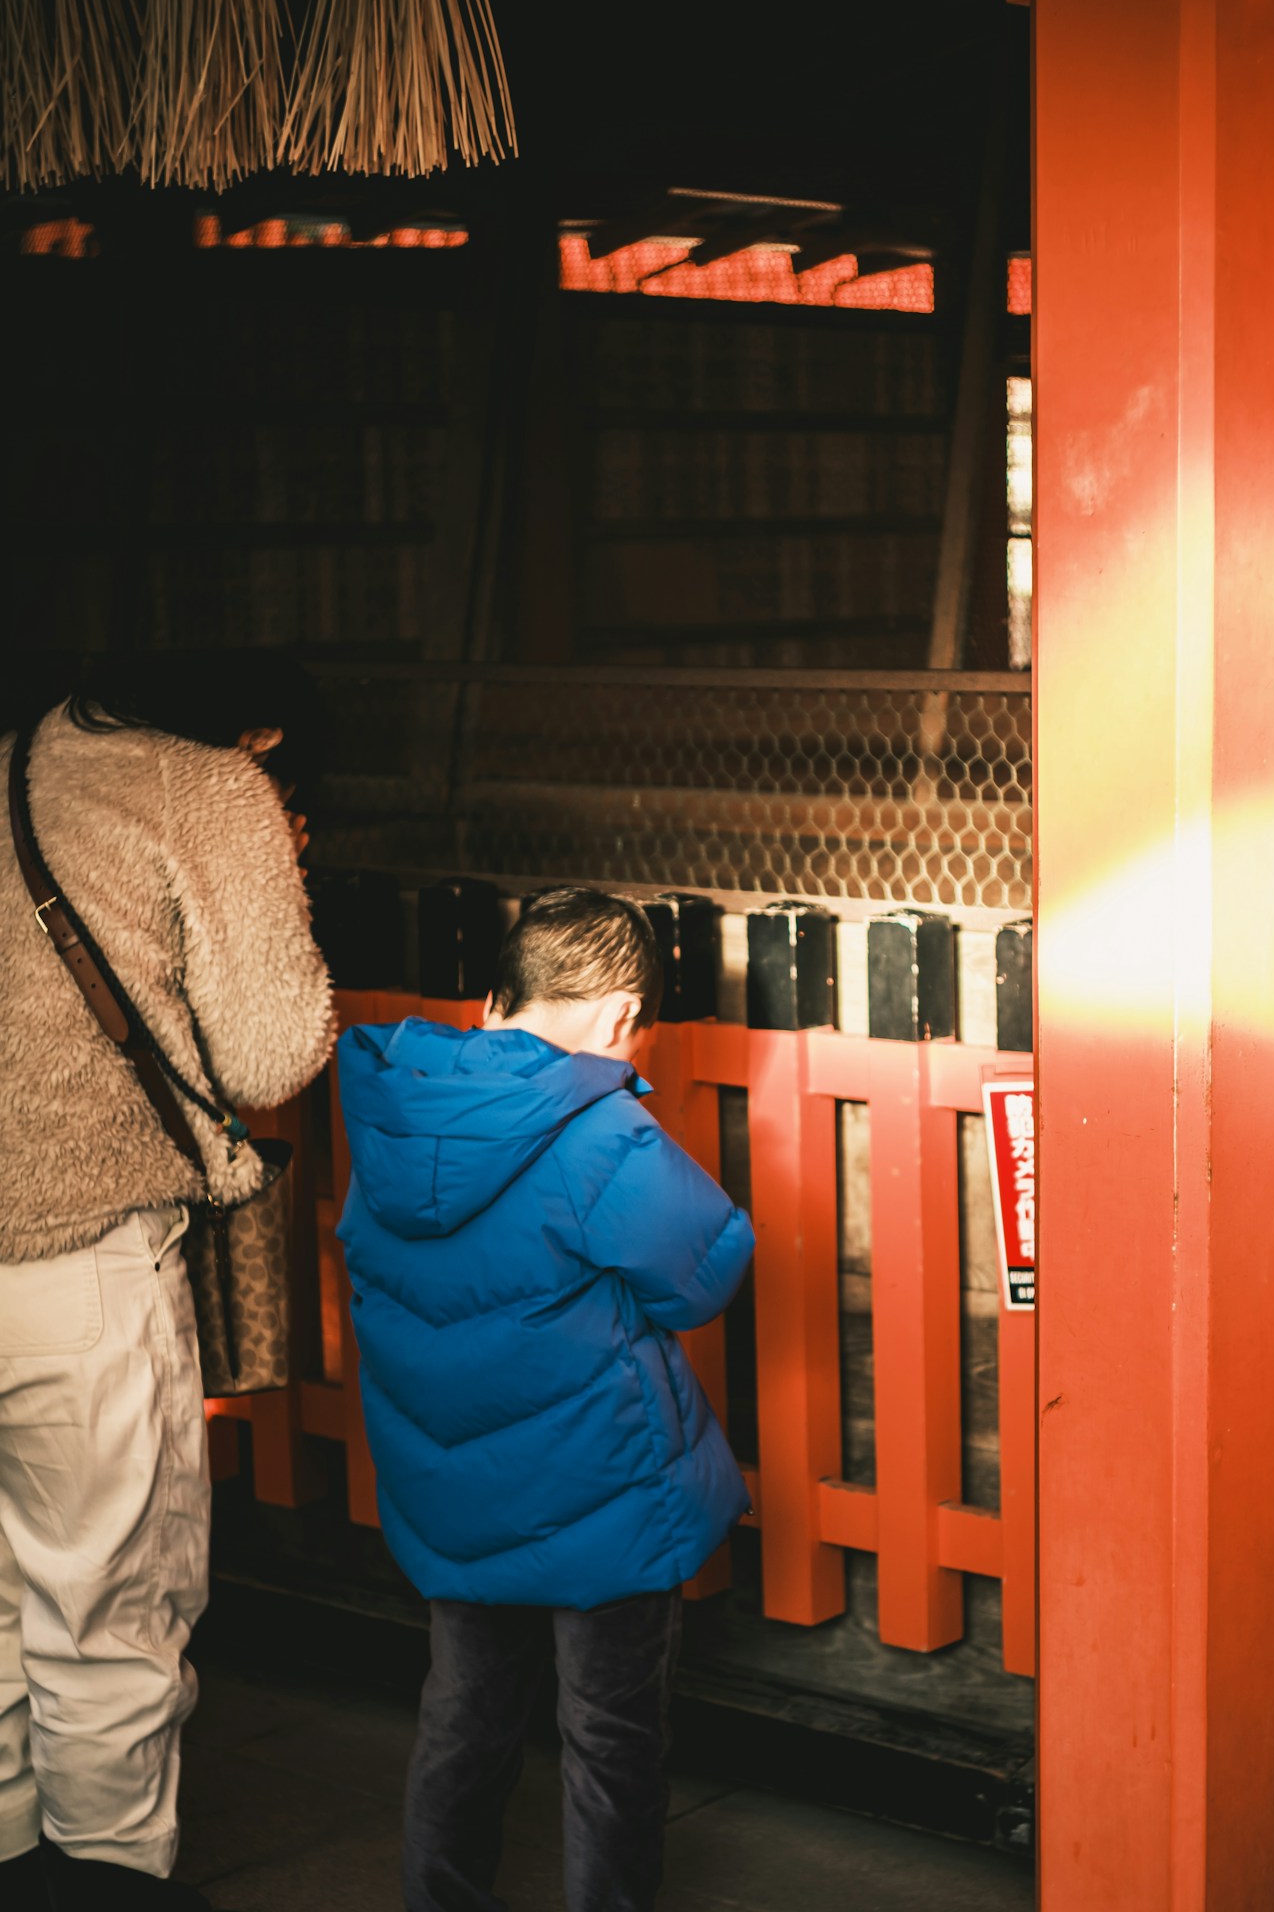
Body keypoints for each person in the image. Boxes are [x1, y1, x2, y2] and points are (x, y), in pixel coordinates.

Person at [336, 886, 753, 1912]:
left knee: (464, 1718)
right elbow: (704, 1274)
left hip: (453, 1488)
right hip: (597, 1490)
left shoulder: (401, 1110)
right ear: (620, 1015)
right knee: (609, 1738)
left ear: (499, 995)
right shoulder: (598, 1132)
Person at [0, 655, 335, 1910]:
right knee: (106, 1623)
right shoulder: (200, 784)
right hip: (79, 1266)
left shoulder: (14, 758)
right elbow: (270, 1048)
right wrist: (274, 858)